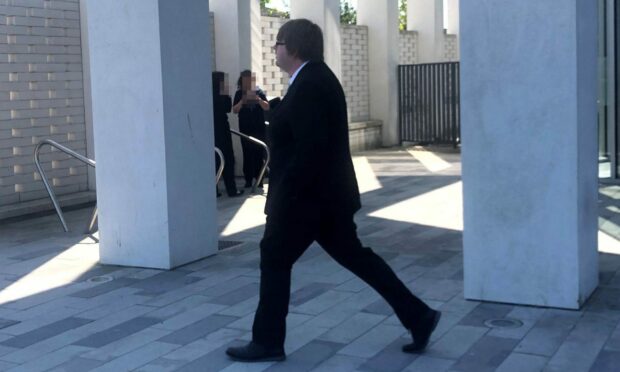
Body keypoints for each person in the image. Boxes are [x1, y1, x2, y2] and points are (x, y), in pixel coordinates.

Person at [225, 19, 441, 363]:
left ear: (292, 48)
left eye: (277, 44)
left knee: (275, 257)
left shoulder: (311, 82)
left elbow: (310, 150)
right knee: (356, 257)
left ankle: (267, 342)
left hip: (308, 201)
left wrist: (284, 201)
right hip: (324, 199)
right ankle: (419, 316)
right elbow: (302, 133)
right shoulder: (312, 79)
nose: (274, 50)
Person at [233, 70, 269, 188]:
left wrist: (258, 100)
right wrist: (242, 101)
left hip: (258, 127)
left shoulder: (259, 92)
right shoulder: (239, 93)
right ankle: (248, 179)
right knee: (247, 153)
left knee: (259, 152)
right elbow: (235, 110)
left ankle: (259, 179)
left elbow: (267, 107)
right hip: (245, 128)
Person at [212, 71, 243, 197]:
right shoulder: (222, 94)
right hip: (222, 129)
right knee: (228, 158)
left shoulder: (207, 93)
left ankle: (214, 189)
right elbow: (227, 108)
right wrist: (227, 93)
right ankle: (231, 189)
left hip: (212, 129)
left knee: (215, 160)